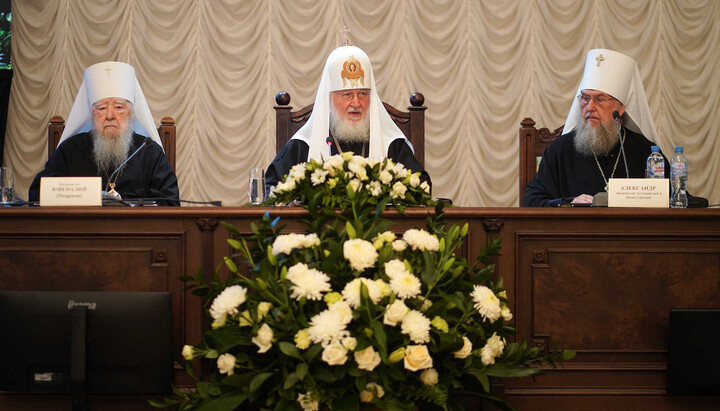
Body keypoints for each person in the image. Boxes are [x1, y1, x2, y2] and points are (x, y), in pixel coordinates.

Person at [265, 45, 430, 192]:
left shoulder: (392, 144)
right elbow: (272, 188)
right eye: (347, 95)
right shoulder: (303, 145)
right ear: (329, 97)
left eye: (363, 94)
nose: (356, 103)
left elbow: (422, 186)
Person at [523, 49, 669, 207]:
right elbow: (531, 201)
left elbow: (676, 200)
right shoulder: (560, 150)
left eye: (599, 99)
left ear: (619, 108)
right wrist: (569, 203)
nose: (590, 107)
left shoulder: (646, 152)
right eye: (585, 98)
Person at [29, 61, 179, 205]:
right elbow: (38, 195)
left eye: (119, 107)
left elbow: (169, 202)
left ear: (131, 114)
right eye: (101, 108)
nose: (109, 115)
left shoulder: (148, 151)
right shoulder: (70, 151)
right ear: (92, 114)